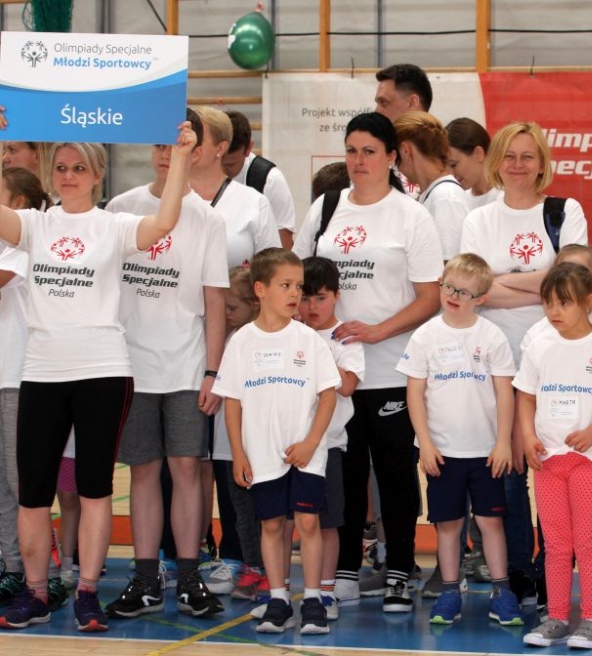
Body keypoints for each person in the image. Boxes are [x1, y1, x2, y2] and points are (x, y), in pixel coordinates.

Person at [0, 121, 197, 631]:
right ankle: (36, 593)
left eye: (79, 168)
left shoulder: (114, 226)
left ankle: (86, 591)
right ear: (50, 173)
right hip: (42, 371)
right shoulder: (35, 225)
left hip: (103, 371)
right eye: (61, 168)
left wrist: (179, 157)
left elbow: (166, 220)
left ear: (97, 174)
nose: (68, 176)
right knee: (34, 492)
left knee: (94, 488)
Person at [291, 112, 443, 613]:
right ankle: (345, 568)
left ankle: (399, 566)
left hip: (391, 369)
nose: (358, 161)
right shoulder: (326, 208)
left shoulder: (411, 215)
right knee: (345, 471)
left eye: (369, 151)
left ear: (392, 156)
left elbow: (430, 297)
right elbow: (297, 279)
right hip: (332, 375)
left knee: (395, 472)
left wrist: (378, 331)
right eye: (352, 150)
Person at [460, 120, 588, 607]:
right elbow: (474, 289)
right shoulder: (479, 219)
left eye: (527, 156)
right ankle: (518, 571)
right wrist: (540, 281)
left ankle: (552, 567)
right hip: (497, 367)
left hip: (557, 365)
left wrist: (503, 282)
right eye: (509, 156)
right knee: (509, 475)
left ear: (542, 163)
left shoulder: (563, 211)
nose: (517, 165)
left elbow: (571, 280)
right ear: (496, 161)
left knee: (554, 471)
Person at [102, 140, 230, 620]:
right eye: (157, 144)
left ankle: (190, 576)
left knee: (186, 470)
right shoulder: (120, 207)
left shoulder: (207, 218)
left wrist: (213, 370)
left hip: (185, 365)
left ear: (194, 153)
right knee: (143, 471)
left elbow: (214, 299)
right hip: (130, 364)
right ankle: (145, 578)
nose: (164, 154)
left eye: (174, 146)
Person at [213, 248, 339, 635]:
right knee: (270, 525)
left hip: (306, 453)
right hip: (262, 454)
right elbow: (232, 402)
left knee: (308, 521)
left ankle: (314, 599)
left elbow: (328, 395)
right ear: (261, 289)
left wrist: (311, 442)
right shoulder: (241, 341)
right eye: (286, 285)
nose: (295, 294)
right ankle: (279, 599)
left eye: (298, 286)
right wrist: (238, 453)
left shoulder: (309, 340)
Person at [395, 252, 520, 626]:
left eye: (465, 292)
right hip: (443, 451)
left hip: (486, 451)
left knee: (490, 522)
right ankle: (450, 591)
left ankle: (502, 592)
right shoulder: (425, 336)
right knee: (448, 525)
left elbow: (505, 393)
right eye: (449, 287)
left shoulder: (491, 336)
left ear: (481, 298)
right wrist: (425, 442)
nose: (454, 296)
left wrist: (503, 442)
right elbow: (415, 393)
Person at [516, 262, 592, 650]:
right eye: (548, 303)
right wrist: (528, 436)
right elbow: (525, 397)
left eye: (564, 303)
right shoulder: (539, 345)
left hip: (588, 461)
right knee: (553, 544)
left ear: (588, 301)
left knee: (587, 542)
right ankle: (555, 618)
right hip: (548, 461)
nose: (554, 311)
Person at [299, 256, 364, 621]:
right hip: (291, 445)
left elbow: (348, 385)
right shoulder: (289, 332)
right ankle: (282, 591)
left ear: (336, 296)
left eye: (320, 298)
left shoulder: (344, 337)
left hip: (330, 446)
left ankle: (326, 591)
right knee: (291, 521)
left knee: (327, 522)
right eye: (305, 297)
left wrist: (315, 347)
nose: (312, 306)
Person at [0, 168, 50, 605]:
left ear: (17, 204)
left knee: (22, 483)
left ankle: (42, 571)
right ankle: (11, 566)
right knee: (1, 483)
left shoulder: (23, 247)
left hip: (18, 376)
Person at [213, 267, 268, 603]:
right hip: (230, 443)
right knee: (240, 510)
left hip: (259, 442)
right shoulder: (230, 336)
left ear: (255, 303)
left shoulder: (258, 338)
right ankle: (250, 565)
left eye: (232, 308)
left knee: (265, 511)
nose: (226, 314)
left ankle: (265, 568)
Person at [189, 107, 281, 268]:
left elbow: (273, 270)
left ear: (220, 148)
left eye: (197, 137)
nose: (188, 142)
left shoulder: (255, 202)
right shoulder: (164, 196)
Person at [395, 111, 471, 261]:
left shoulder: (445, 197)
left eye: (394, 154)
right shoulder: (436, 194)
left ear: (405, 151)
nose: (394, 164)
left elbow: (449, 266)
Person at [222, 110, 296, 249]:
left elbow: (283, 250)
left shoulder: (271, 180)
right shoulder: (201, 171)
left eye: (230, 165)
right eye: (219, 162)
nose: (223, 170)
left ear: (248, 148)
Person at [446, 117, 500, 209]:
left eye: (453, 165)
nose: (450, 174)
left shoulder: (506, 197)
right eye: (446, 167)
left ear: (479, 154)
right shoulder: (457, 200)